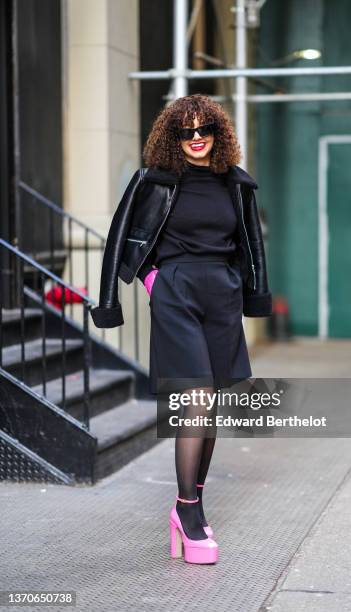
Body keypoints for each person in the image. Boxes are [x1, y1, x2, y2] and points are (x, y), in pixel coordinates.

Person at [91, 93, 272, 564]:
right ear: (172, 137)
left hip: (222, 296)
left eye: (203, 130)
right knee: (195, 398)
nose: (195, 139)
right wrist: (144, 283)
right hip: (175, 293)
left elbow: (252, 244)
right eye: (185, 132)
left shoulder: (236, 183)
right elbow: (118, 241)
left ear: (218, 132)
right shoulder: (153, 182)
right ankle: (189, 513)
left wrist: (249, 293)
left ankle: (189, 503)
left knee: (210, 404)